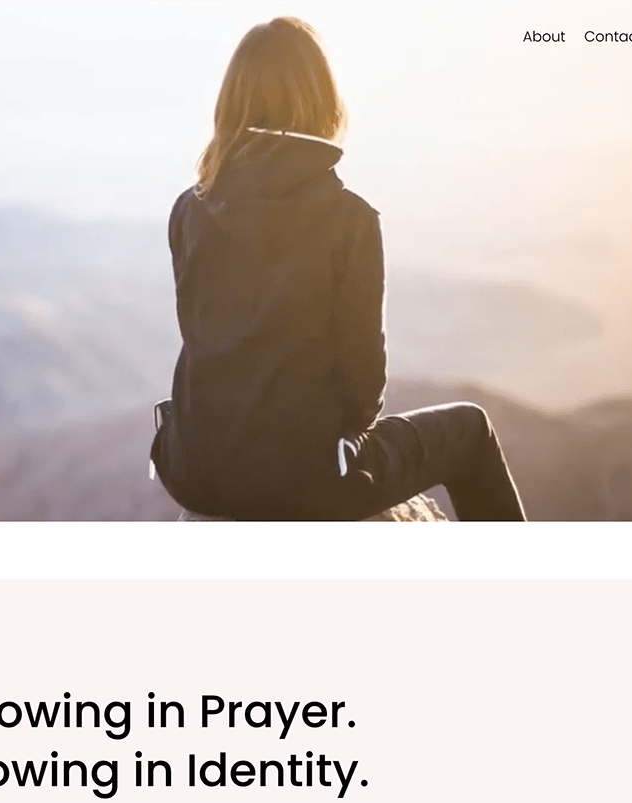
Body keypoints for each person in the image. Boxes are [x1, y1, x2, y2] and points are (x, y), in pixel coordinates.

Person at [149, 17, 526, 521]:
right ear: (322, 101)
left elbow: (208, 340)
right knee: (471, 429)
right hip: (305, 483)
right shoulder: (349, 219)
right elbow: (364, 382)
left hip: (195, 474)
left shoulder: (188, 210)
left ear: (231, 103)